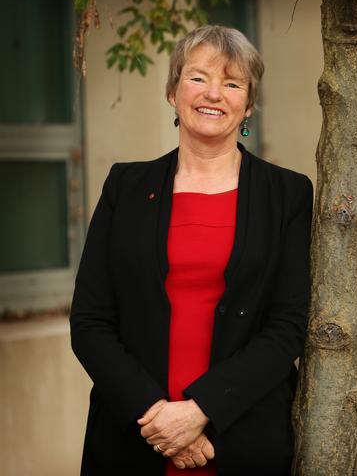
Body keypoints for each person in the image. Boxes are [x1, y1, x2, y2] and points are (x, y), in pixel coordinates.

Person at [70, 25, 313, 475]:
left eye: (232, 82)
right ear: (172, 92)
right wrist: (158, 420)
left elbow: (287, 326)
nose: (214, 93)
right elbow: (90, 322)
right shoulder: (125, 186)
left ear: (248, 105)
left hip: (239, 438)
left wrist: (200, 410)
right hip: (133, 435)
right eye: (198, 77)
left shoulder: (288, 195)